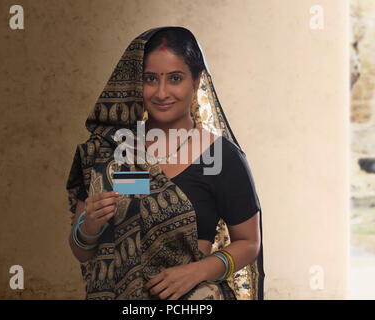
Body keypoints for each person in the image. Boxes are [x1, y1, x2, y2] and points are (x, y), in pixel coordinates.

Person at [66, 26, 264, 300]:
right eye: (150, 79)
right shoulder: (109, 152)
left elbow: (249, 243)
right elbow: (81, 251)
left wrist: (197, 271)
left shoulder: (221, 156)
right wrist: (88, 227)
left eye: (175, 78)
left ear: (196, 82)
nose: (161, 93)